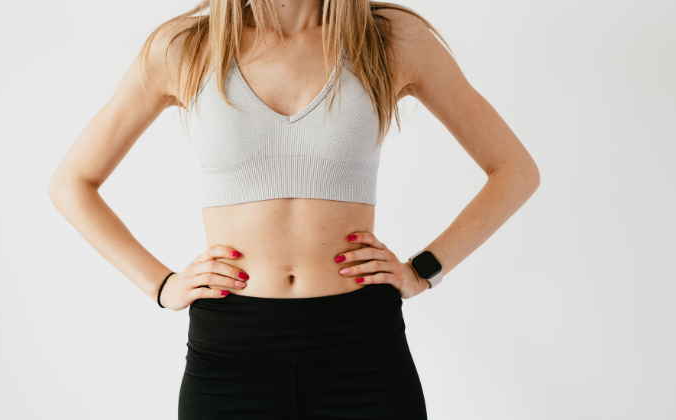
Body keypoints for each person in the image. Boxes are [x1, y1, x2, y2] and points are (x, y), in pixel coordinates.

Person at [48, 1, 540, 418]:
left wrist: (424, 270)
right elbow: (72, 182)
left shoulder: (388, 39)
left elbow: (514, 170)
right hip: (231, 355)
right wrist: (161, 285)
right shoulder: (186, 46)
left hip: (364, 351)